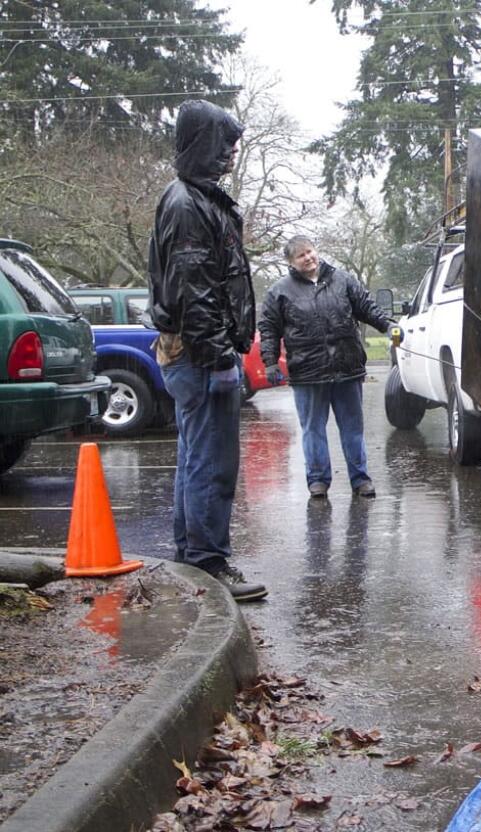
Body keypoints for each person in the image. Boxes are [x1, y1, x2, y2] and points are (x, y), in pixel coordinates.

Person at [148, 100, 266, 602]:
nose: (233, 154)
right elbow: (195, 292)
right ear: (206, 144)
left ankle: (192, 559)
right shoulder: (187, 205)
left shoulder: (194, 199)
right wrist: (220, 358)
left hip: (193, 353)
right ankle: (208, 563)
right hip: (199, 355)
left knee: (196, 458)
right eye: (226, 144)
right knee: (212, 464)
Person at [259, 236, 392, 499]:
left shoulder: (343, 280)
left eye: (309, 251)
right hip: (308, 373)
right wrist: (271, 362)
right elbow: (269, 329)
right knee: (313, 429)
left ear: (316, 251)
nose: (308, 258)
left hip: (346, 367)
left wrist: (387, 325)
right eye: (300, 255)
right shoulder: (279, 291)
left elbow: (365, 306)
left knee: (352, 428)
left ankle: (360, 478)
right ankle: (318, 480)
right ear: (291, 262)